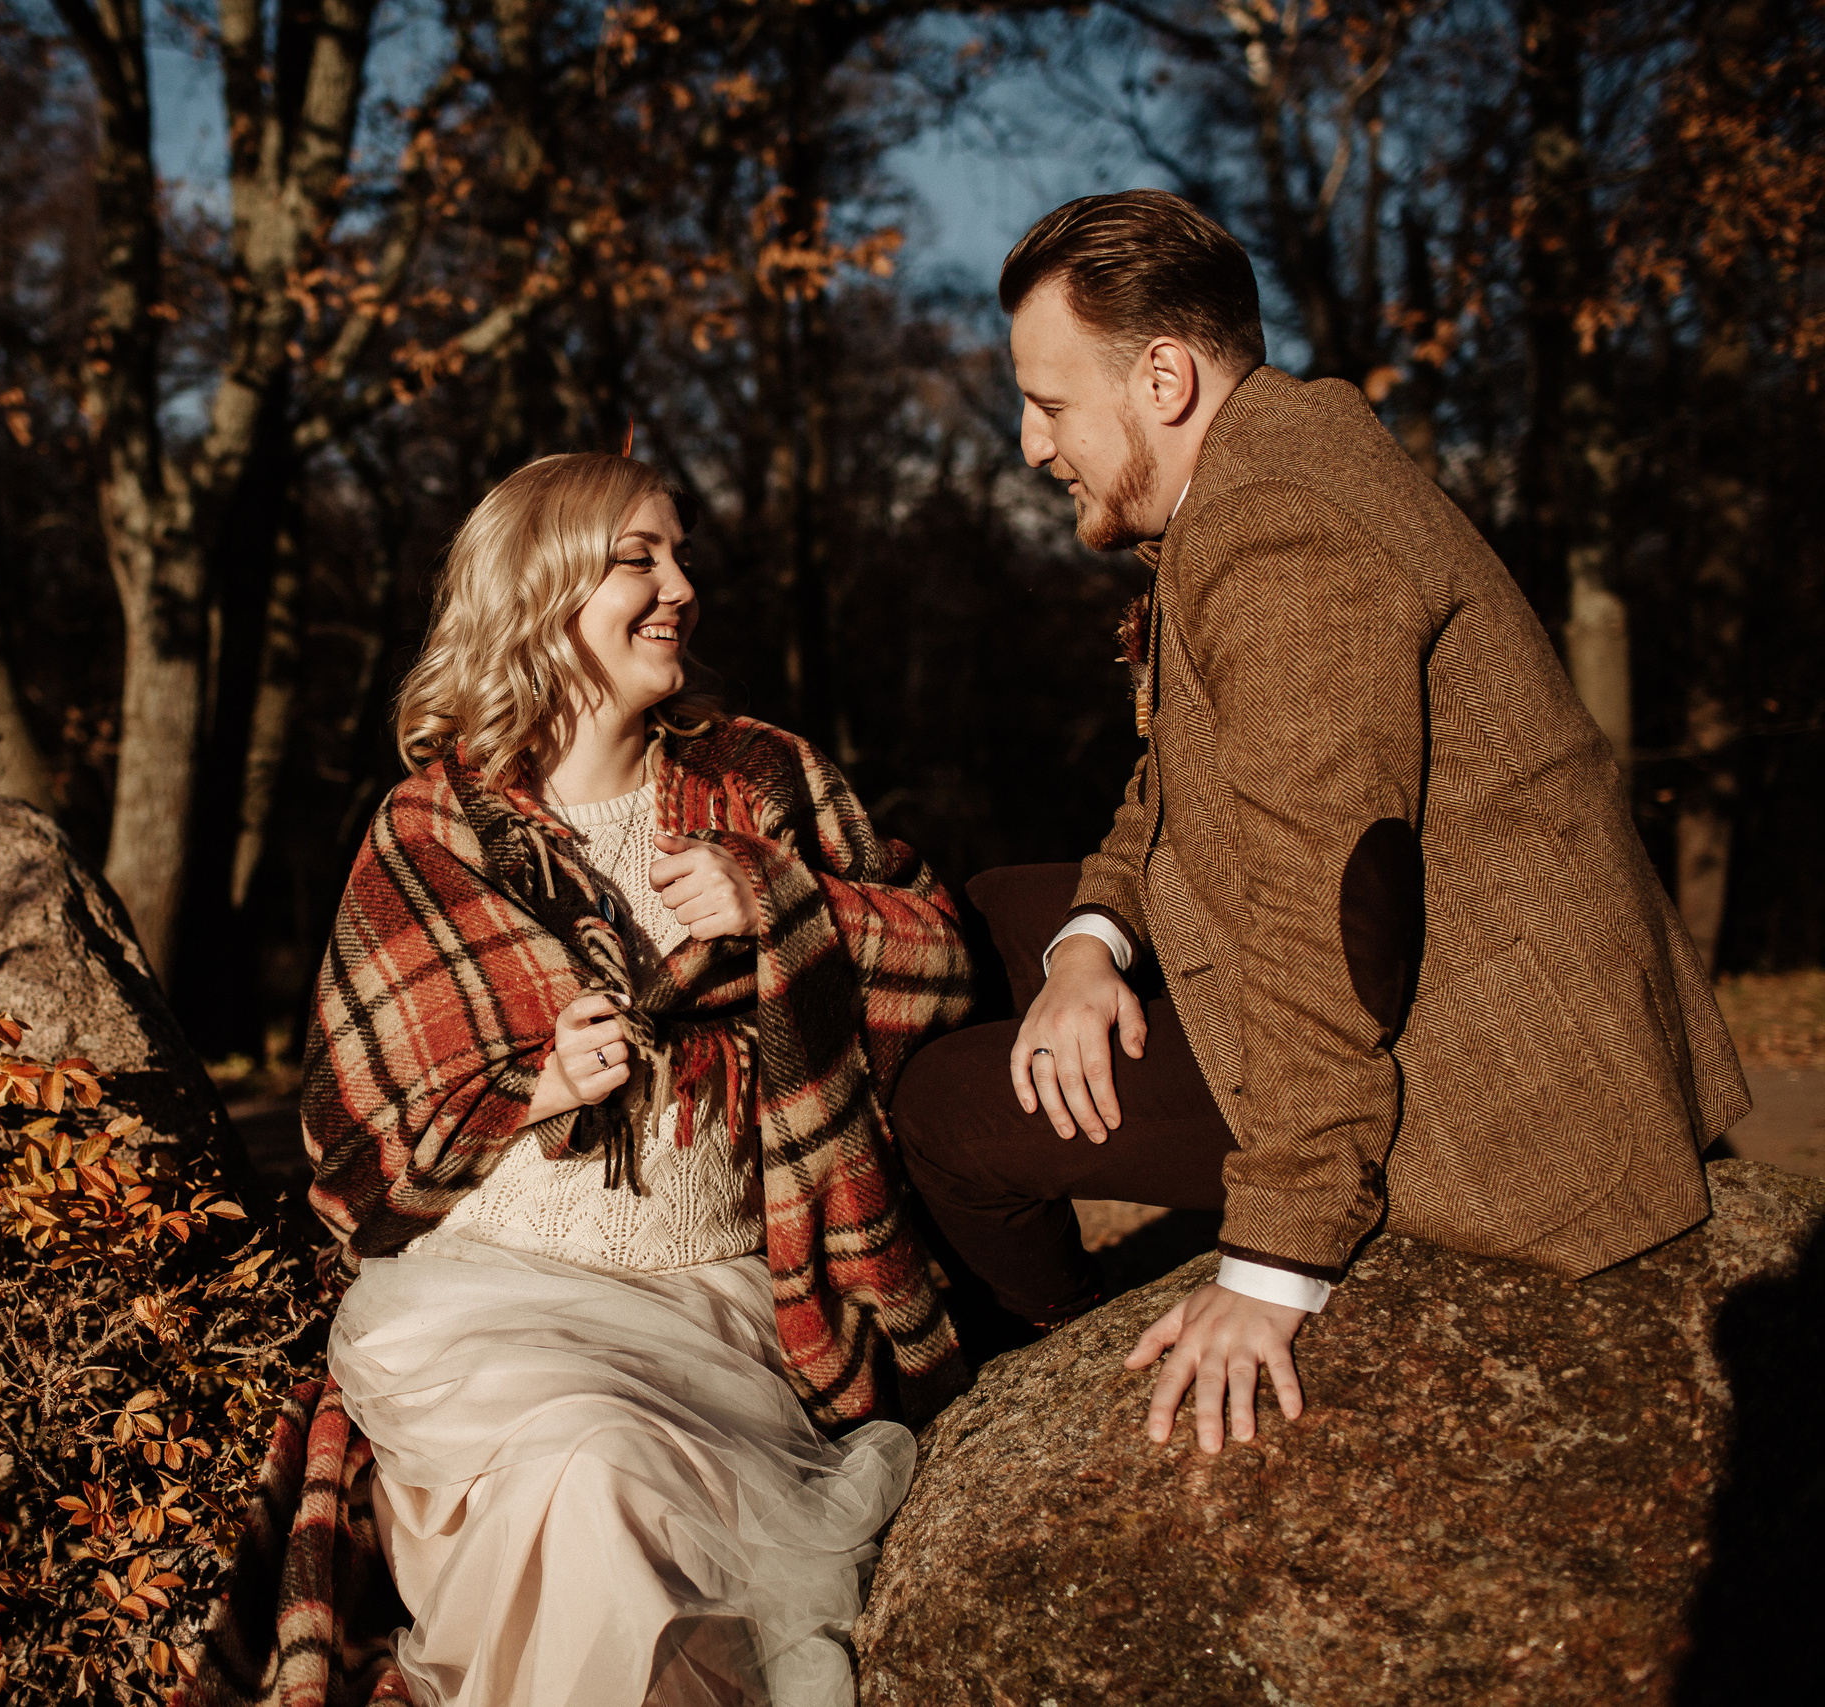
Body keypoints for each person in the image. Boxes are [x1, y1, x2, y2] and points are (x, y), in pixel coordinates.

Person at [890, 190, 1750, 1458]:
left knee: (949, 1112)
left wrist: (1273, 1262)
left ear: (1165, 378)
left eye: (1051, 403)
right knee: (997, 921)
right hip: (1413, 966)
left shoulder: (1280, 535)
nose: (1030, 445)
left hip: (1484, 1075)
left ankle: (1043, 1381)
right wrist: (1088, 944)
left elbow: (1329, 902)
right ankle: (1058, 1320)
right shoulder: (1269, 466)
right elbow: (1168, 786)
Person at [294, 451, 973, 1707]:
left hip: (724, 1307)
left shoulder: (758, 780)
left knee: (668, 1549)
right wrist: (535, 1088)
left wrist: (789, 905)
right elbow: (354, 1151)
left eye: (680, 555)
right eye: (636, 560)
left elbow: (938, 960)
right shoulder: (428, 832)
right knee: (589, 1473)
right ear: (540, 591)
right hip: (494, 1320)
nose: (680, 588)